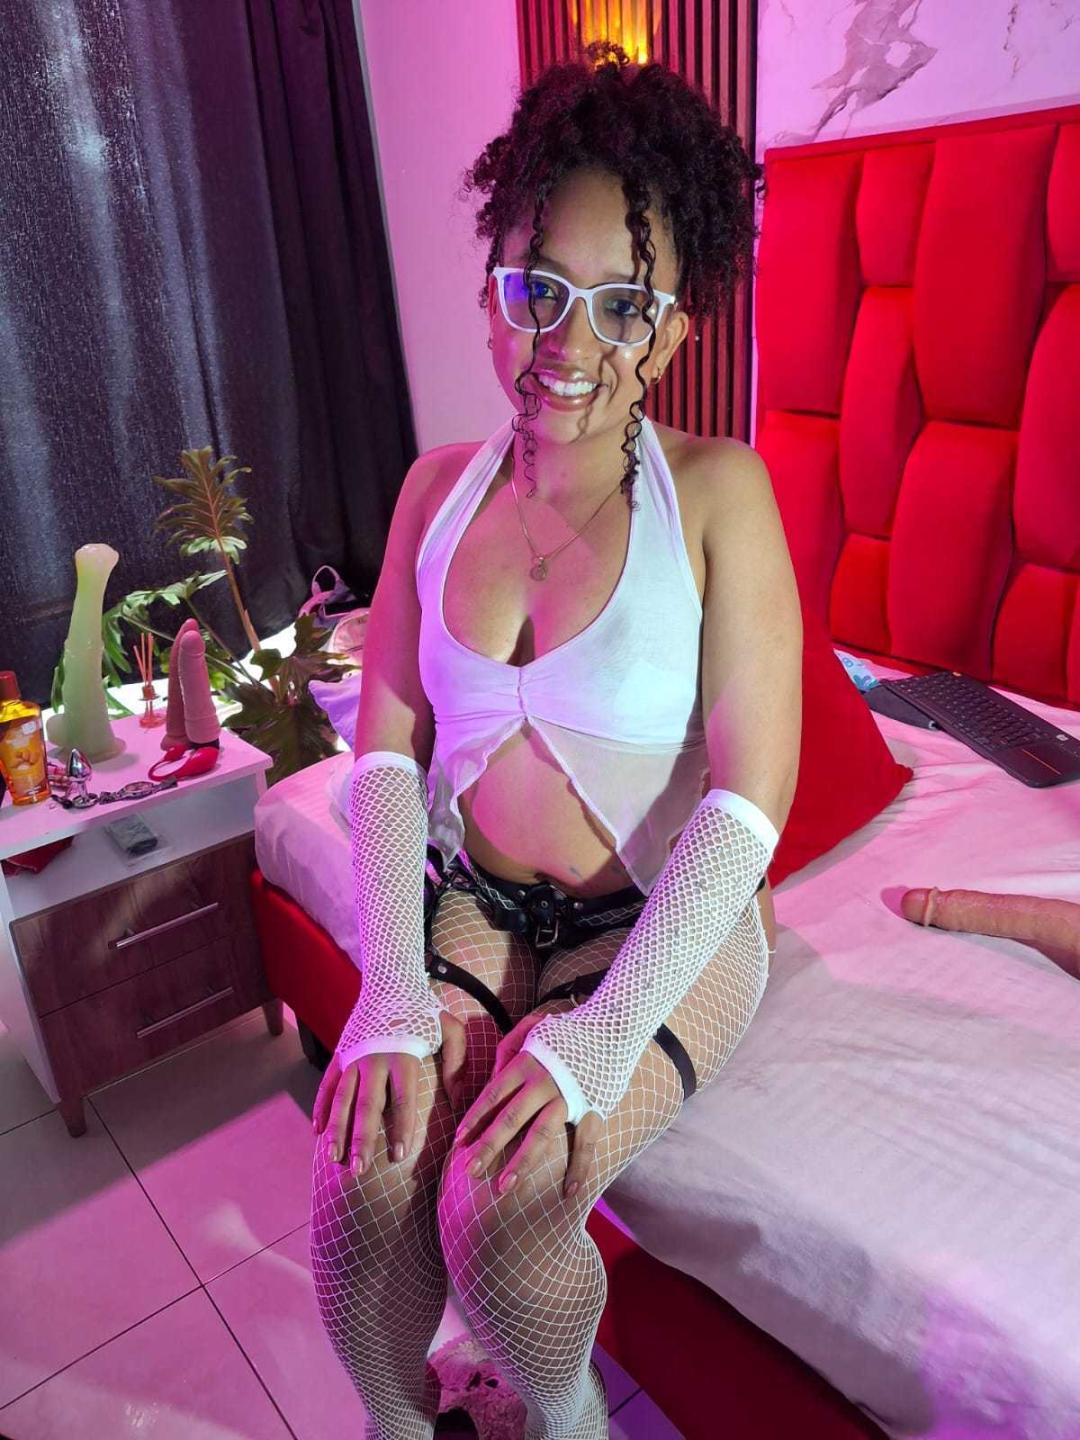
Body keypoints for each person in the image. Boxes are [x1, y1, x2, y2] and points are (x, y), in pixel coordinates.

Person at [310, 40, 802, 1440]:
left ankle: (568, 1421)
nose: (569, 348)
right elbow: (387, 753)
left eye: (622, 306)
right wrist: (391, 991)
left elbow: (750, 801)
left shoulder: (721, 492)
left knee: (504, 1211)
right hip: (478, 905)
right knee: (358, 1187)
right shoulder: (433, 494)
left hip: (658, 919)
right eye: (536, 288)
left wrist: (604, 1035)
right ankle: (407, 1424)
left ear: (675, 333)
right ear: (491, 292)